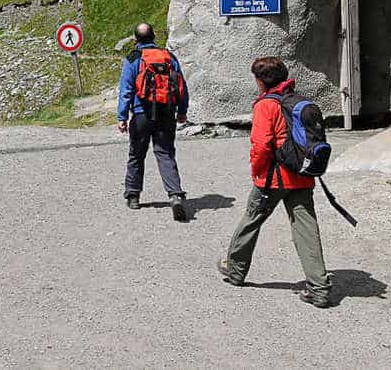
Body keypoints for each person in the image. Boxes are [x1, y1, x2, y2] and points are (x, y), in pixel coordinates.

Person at [218, 56, 332, 308]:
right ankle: (319, 288)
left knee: (251, 220)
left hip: (273, 178)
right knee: (306, 228)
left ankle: (235, 271)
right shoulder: (298, 101)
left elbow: (260, 145)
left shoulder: (265, 105)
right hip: (301, 175)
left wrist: (258, 173)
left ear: (260, 81)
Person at [117, 23, 190, 220]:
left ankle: (133, 196)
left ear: (135, 39)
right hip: (166, 113)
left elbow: (126, 91)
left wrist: (122, 117)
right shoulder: (169, 57)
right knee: (165, 153)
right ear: (154, 36)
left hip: (141, 114)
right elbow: (181, 85)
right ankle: (175, 195)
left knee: (136, 154)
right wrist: (182, 111)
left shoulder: (133, 58)